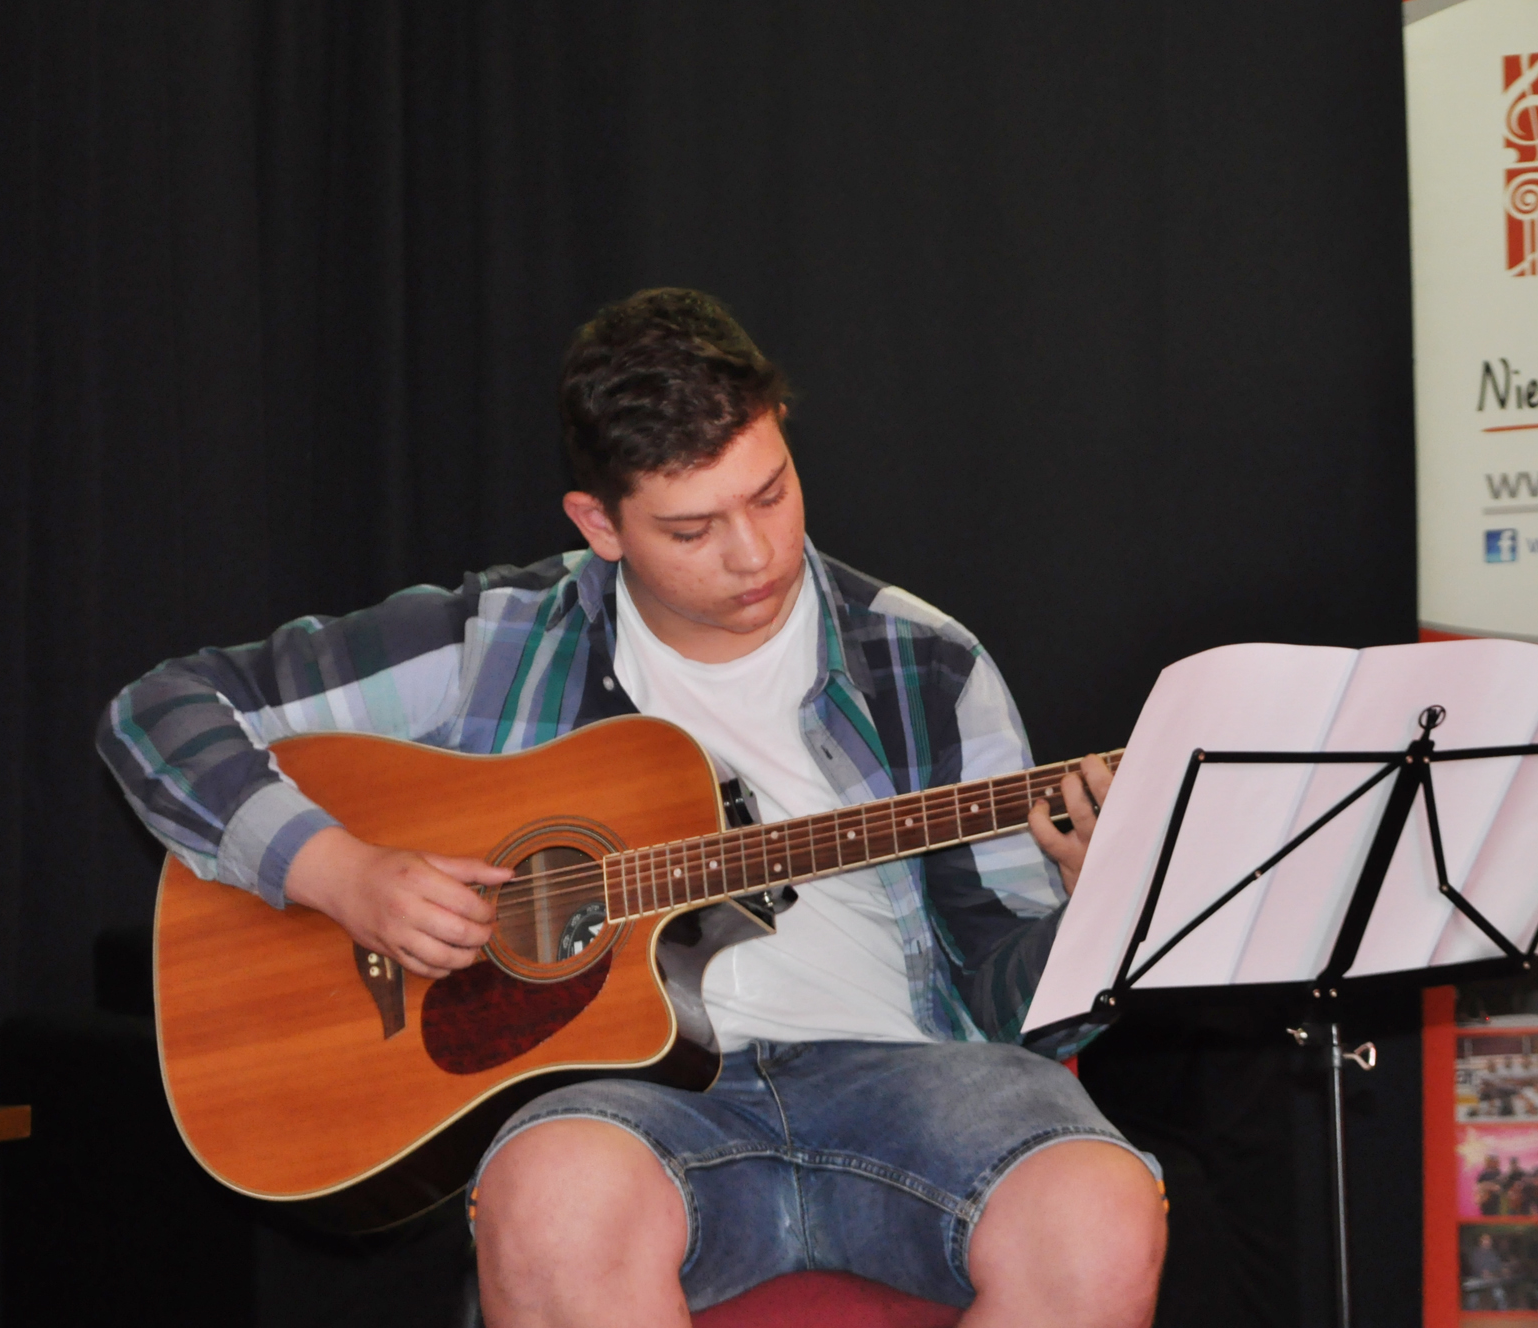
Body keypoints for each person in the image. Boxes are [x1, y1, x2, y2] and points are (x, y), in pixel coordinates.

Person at [98, 289, 1167, 1327]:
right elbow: (156, 715)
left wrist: (1093, 913)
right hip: (629, 1107)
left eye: (770, 493)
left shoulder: (924, 661)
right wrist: (341, 873)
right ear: (598, 523)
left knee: (1098, 1210)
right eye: (692, 529)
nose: (753, 553)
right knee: (553, 1200)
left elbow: (1008, 1005)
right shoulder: (493, 641)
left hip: (904, 1081)